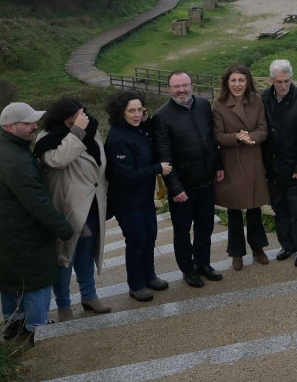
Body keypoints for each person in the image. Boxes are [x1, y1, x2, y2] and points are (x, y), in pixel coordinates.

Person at [0, 102, 74, 343]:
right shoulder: (16, 159)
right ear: (10, 126)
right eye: (28, 123)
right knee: (38, 280)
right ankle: (37, 328)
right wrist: (63, 229)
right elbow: (37, 202)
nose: (35, 127)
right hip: (23, 234)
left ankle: (13, 323)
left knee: (8, 279)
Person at [35, 98, 111, 320]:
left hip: (93, 204)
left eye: (81, 114)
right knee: (64, 258)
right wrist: (76, 131)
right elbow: (59, 160)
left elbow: (100, 162)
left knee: (86, 254)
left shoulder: (91, 131)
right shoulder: (46, 140)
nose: (78, 119)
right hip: (68, 207)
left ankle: (89, 295)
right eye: (73, 116)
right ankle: (63, 305)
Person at [152, 71, 224, 288]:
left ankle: (203, 264)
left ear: (192, 86)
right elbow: (164, 155)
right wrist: (175, 188)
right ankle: (188, 269)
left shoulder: (203, 105)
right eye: (176, 86)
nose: (181, 90)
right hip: (182, 186)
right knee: (182, 231)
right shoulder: (162, 116)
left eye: (185, 85)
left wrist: (218, 165)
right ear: (169, 89)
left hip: (205, 179)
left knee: (205, 227)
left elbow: (211, 139)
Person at [105, 91, 172, 302]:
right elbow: (123, 175)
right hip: (126, 200)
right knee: (136, 240)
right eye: (131, 110)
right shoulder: (117, 138)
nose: (136, 114)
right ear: (121, 112)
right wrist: (157, 169)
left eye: (139, 110)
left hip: (144, 197)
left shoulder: (139, 130)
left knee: (150, 235)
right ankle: (136, 284)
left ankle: (149, 276)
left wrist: (147, 121)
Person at [261, 59, 297, 267]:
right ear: (272, 81)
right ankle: (288, 245)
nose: (283, 86)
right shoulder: (264, 98)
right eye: (279, 82)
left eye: (287, 81)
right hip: (274, 169)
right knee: (281, 211)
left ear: (291, 79)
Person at [212, 63, 270, 271]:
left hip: (253, 158)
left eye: (241, 80)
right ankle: (236, 252)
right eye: (233, 80)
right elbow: (217, 135)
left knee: (254, 208)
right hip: (232, 161)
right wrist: (237, 137)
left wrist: (251, 137)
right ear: (227, 82)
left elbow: (263, 129)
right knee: (234, 210)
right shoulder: (218, 104)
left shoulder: (257, 101)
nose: (237, 84)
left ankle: (258, 247)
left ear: (248, 82)